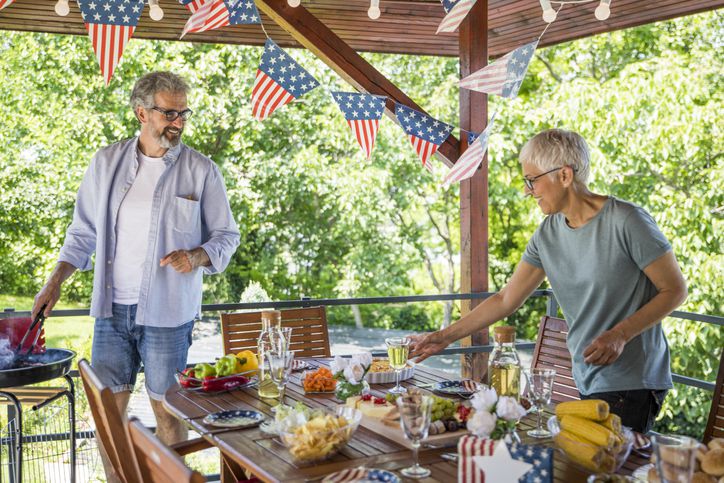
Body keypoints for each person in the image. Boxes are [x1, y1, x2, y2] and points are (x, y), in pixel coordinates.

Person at [31, 72, 240, 478]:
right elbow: (83, 232)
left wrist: (197, 256)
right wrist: (54, 282)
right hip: (111, 312)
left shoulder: (202, 170)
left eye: (183, 112)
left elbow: (226, 236)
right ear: (141, 112)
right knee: (109, 418)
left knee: (167, 412)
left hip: (168, 314)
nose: (177, 121)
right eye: (168, 112)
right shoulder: (105, 163)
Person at [410, 129, 687, 433]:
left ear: (565, 175)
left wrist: (620, 334)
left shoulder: (626, 220)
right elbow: (506, 300)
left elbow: (674, 290)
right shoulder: (547, 234)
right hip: (588, 376)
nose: (528, 190)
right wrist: (445, 336)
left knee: (605, 472)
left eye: (533, 180)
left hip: (632, 381)